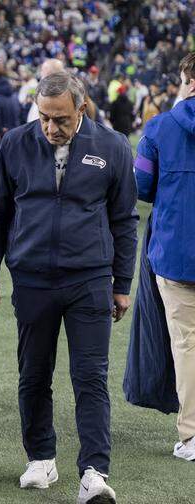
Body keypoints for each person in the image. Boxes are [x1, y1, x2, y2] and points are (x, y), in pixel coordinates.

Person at [0, 71, 138, 504]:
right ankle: (41, 458)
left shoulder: (113, 147)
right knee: (33, 375)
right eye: (45, 117)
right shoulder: (14, 143)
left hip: (89, 279)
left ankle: (93, 472)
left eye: (61, 119)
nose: (52, 128)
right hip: (31, 280)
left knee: (91, 378)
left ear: (81, 108)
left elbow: (124, 220)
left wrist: (122, 284)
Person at [134, 52, 195, 463]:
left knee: (187, 343)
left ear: (187, 79)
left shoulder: (159, 128)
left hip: (177, 254)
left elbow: (141, 184)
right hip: (176, 254)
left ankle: (192, 435)